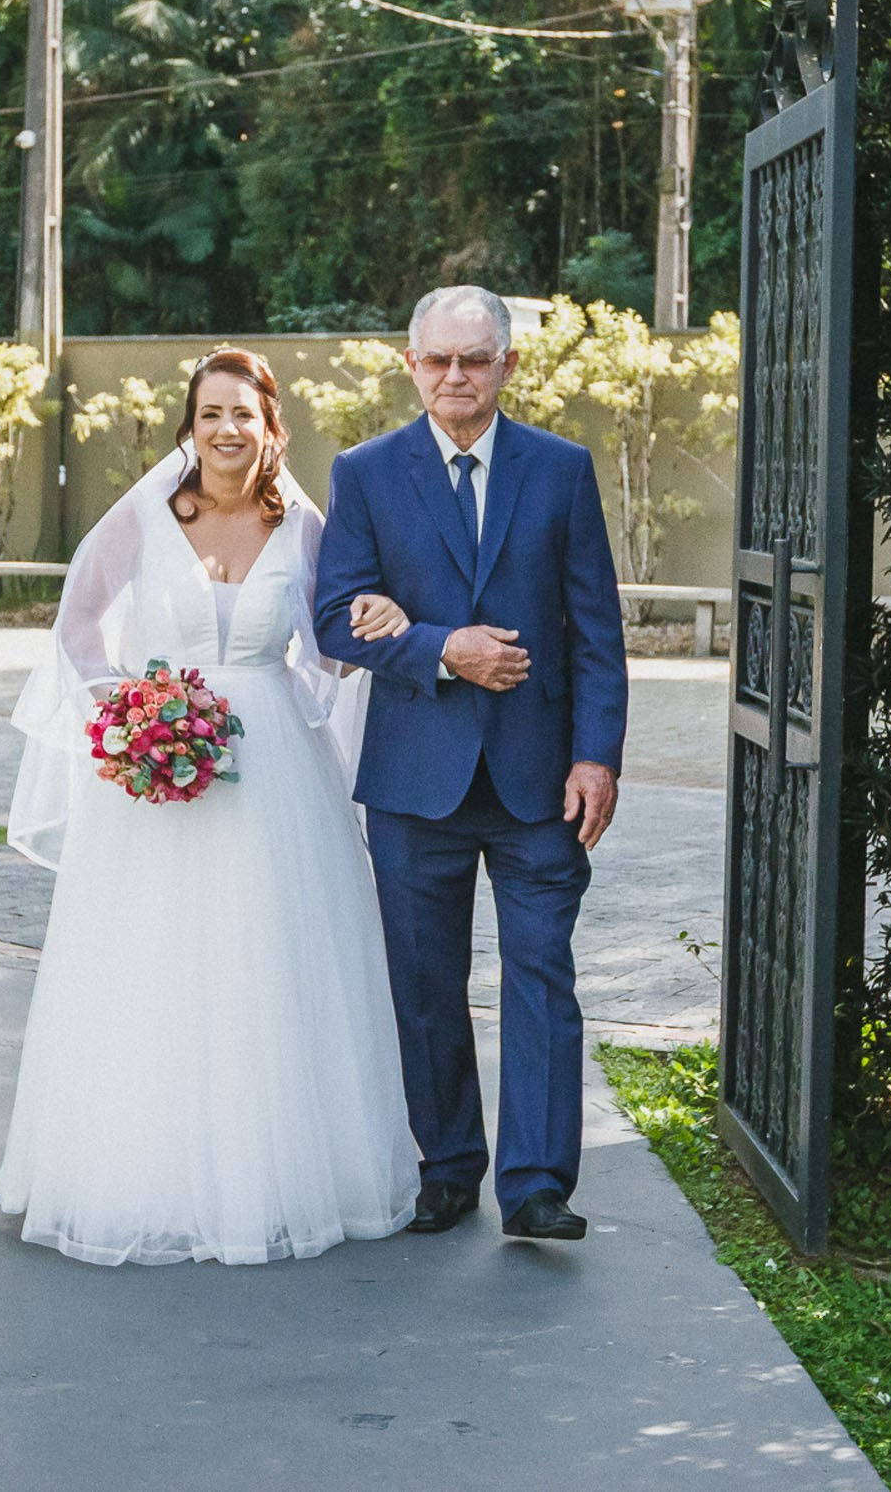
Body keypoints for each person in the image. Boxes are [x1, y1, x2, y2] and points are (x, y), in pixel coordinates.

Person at [0, 347, 422, 1266]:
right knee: (154, 961)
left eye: (245, 414)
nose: (227, 430)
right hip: (157, 768)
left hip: (274, 770)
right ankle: (137, 1172)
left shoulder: (307, 527)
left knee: (273, 962)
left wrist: (376, 623)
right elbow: (77, 620)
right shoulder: (146, 516)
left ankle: (285, 1172)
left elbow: (333, 646)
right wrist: (126, 714)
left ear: (274, 429)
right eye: (210, 414)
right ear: (187, 428)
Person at [313, 284, 630, 1242]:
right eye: (439, 360)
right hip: (417, 780)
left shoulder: (562, 470)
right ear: (411, 366)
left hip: (541, 781)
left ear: (508, 366)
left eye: (476, 359)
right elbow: (335, 617)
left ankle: (536, 1185)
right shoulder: (365, 475)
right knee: (424, 983)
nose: (457, 376)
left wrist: (597, 757)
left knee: (542, 975)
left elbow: (596, 635)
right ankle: (447, 1166)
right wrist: (444, 649)